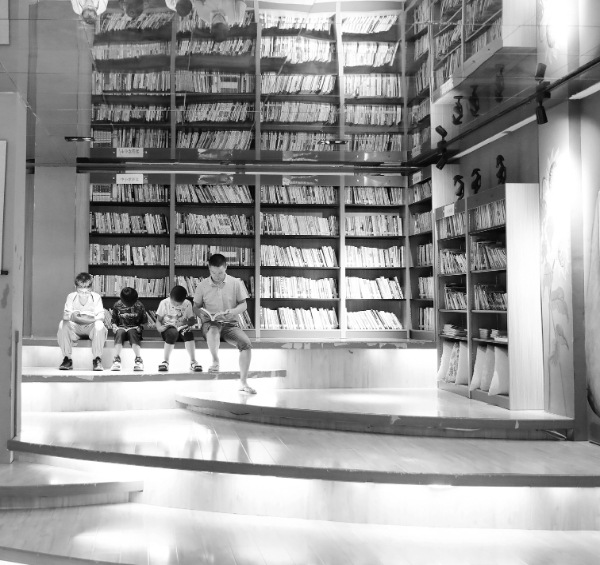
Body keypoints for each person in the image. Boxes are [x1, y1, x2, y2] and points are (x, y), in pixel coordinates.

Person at [193, 253, 255, 394]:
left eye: (220, 273)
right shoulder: (202, 285)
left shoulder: (235, 283)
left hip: (230, 324)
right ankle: (215, 361)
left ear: (226, 267)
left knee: (246, 344)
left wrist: (233, 312)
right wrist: (200, 313)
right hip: (210, 324)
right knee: (214, 329)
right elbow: (195, 307)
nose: (217, 276)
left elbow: (244, 304)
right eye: (213, 273)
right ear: (209, 269)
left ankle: (243, 382)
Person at [58, 272, 107, 371]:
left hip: (90, 328)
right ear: (76, 288)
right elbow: (66, 316)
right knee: (62, 324)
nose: (84, 294)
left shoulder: (96, 297)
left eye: (87, 291)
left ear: (91, 288)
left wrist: (86, 318)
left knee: (99, 325)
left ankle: (97, 359)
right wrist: (75, 317)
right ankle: (67, 359)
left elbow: (101, 316)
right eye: (81, 291)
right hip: (76, 328)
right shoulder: (71, 297)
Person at [156, 285, 203, 372]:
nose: (177, 305)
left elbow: (192, 321)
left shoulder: (187, 304)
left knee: (188, 333)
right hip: (168, 328)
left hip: (182, 328)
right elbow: (158, 320)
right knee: (172, 333)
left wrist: (185, 322)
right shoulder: (164, 303)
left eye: (179, 304)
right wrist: (159, 328)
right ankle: (165, 361)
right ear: (169, 296)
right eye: (174, 303)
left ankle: (193, 361)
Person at [110, 287, 147, 372]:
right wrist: (114, 326)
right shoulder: (117, 305)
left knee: (132, 332)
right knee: (120, 332)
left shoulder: (140, 306)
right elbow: (113, 320)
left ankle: (138, 359)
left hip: (134, 330)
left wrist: (140, 328)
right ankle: (116, 359)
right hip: (121, 328)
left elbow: (144, 322)